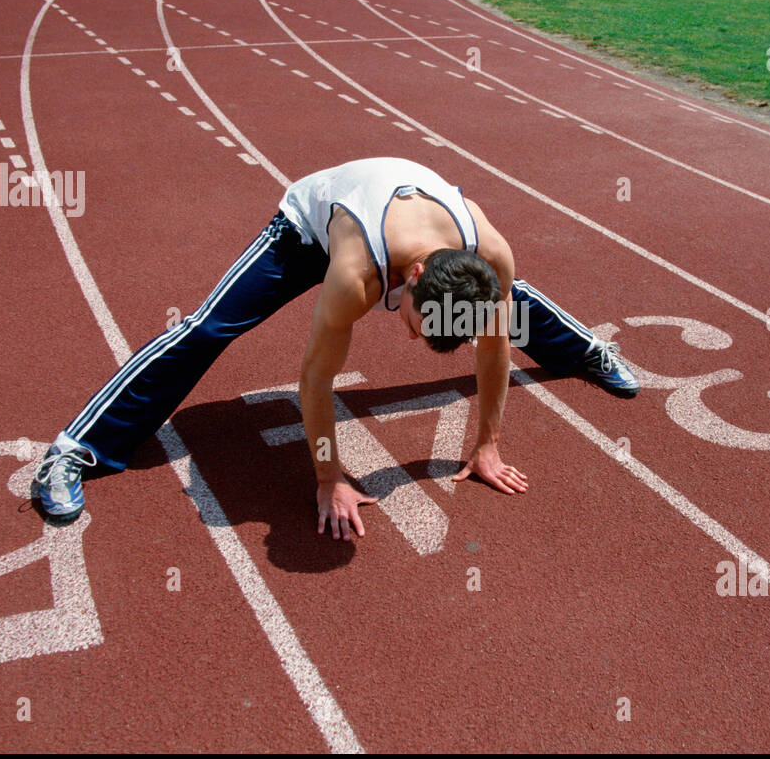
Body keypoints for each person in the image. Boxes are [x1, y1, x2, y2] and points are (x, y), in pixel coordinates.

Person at [33, 157, 638, 540]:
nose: (407, 331)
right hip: (310, 227)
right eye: (417, 319)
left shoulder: (489, 252)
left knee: (504, 306)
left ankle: (585, 351)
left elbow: (493, 349)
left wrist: (486, 445)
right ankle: (74, 451)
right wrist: (328, 478)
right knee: (208, 326)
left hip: (422, 230)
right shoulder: (353, 279)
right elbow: (315, 382)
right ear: (416, 273)